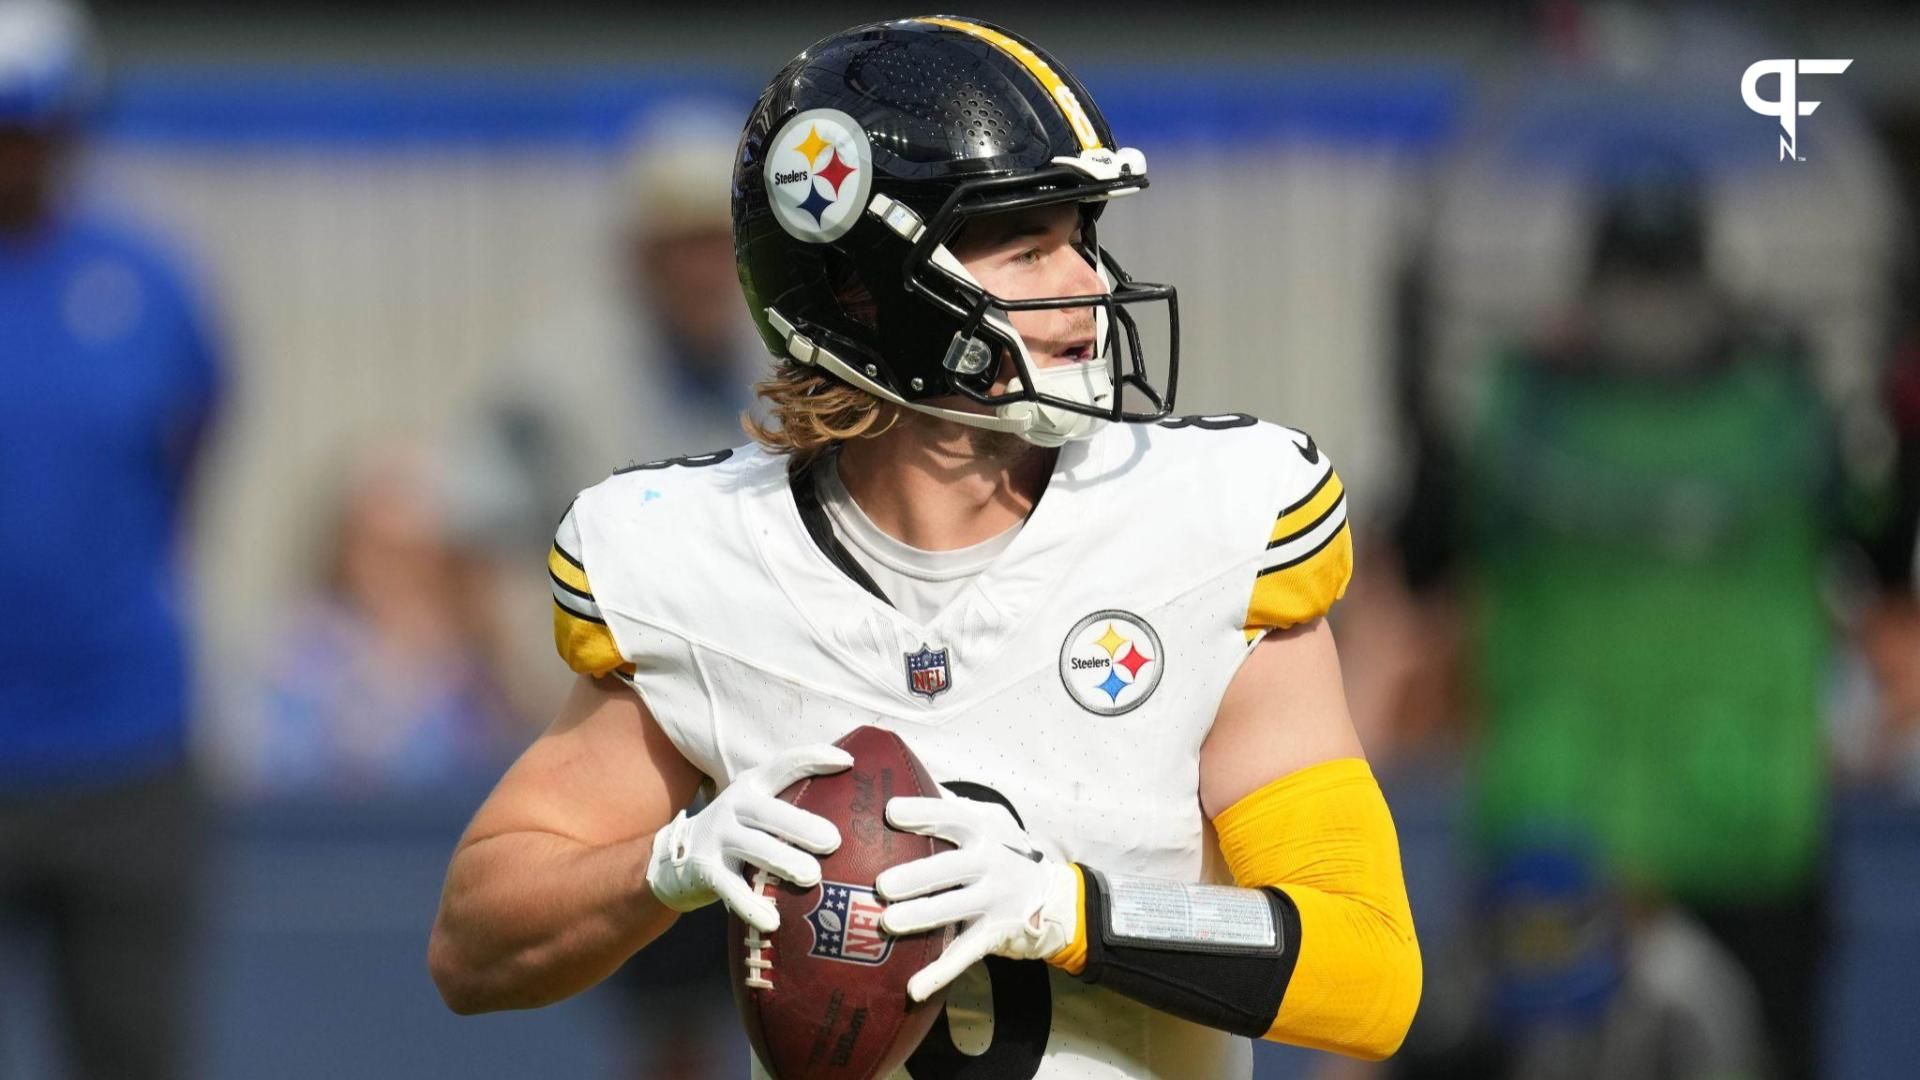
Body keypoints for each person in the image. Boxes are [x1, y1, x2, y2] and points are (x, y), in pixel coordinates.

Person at [429, 17, 1421, 1077]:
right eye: (1027, 244)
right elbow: (473, 947)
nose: (1083, 283)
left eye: (1081, 237)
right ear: (864, 286)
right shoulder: (709, 564)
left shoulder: (1202, 531)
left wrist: (1069, 910)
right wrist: (665, 865)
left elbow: (1370, 973)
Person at [1393, 151, 1884, 1080]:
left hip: (1588, 826)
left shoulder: (1517, 411)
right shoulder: (1787, 407)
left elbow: (1422, 557)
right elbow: (1883, 540)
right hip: (1717, 829)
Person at [0, 2, 224, 1078]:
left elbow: (188, 459)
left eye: (32, 126)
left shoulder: (149, 287)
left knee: (133, 1051)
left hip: (123, 751)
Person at [236, 444, 517, 795]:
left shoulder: (469, 659)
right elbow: (280, 771)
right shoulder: (300, 650)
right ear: (346, 549)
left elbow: (503, 762)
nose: (402, 574)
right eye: (385, 552)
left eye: (419, 555)